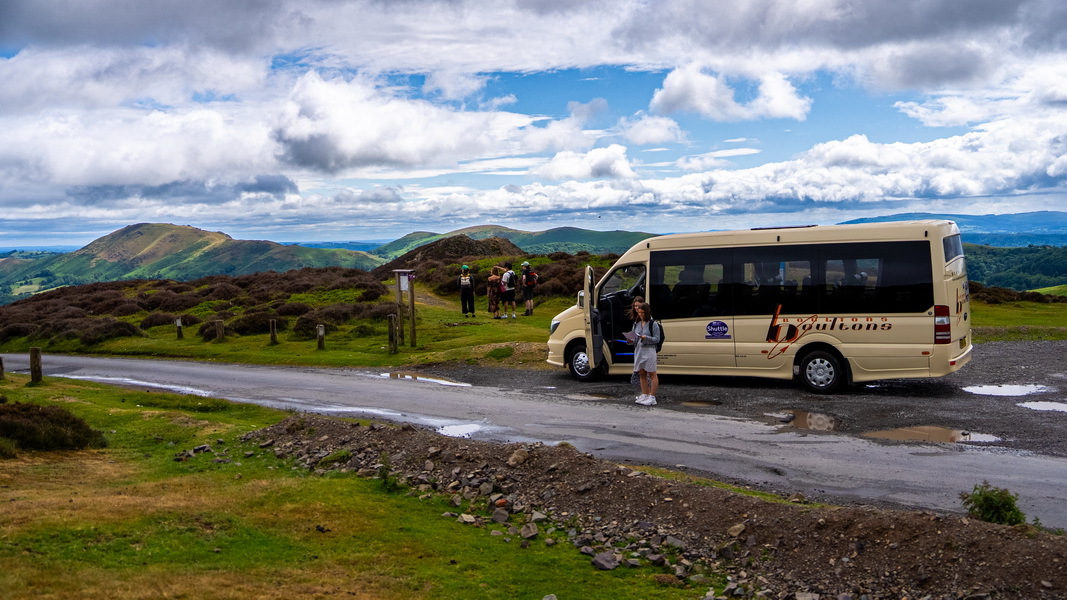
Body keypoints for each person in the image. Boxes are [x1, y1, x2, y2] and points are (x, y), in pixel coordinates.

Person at [629, 302, 660, 406]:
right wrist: (630, 340)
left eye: (642, 313)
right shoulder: (636, 323)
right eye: (639, 313)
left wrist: (645, 338)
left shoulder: (653, 324)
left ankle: (652, 396)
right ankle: (645, 394)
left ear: (647, 312)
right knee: (641, 373)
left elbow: (657, 339)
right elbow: (634, 336)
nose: (641, 315)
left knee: (652, 373)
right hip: (639, 351)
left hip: (649, 351)